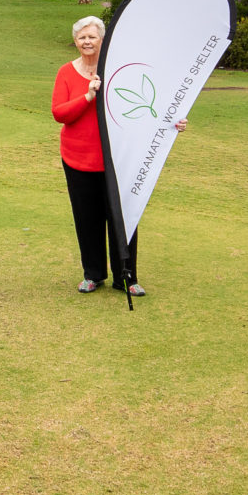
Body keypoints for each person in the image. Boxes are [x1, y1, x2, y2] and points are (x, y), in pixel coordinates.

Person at [53, 15, 185, 295]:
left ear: (103, 40)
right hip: (77, 160)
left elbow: (142, 105)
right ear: (75, 41)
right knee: (87, 219)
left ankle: (126, 276)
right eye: (81, 37)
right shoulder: (66, 72)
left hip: (119, 160)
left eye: (92, 37)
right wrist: (87, 97)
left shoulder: (116, 71)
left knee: (123, 219)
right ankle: (93, 274)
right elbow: (59, 113)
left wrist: (172, 122)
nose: (87, 42)